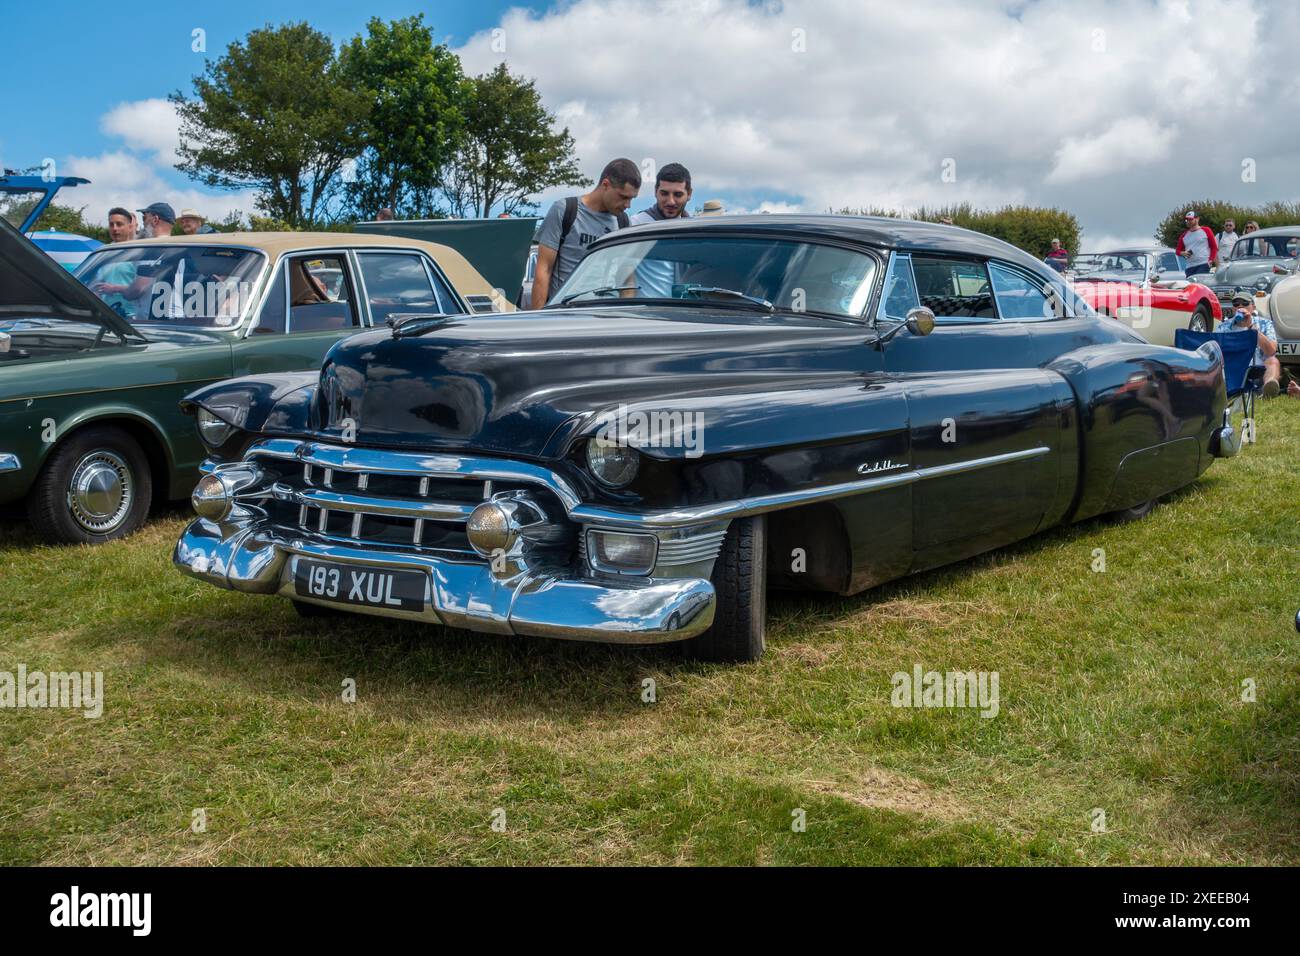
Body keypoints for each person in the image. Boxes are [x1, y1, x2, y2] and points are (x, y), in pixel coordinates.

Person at [531, 158, 641, 308]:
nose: (628, 205)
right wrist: (539, 321)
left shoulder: (623, 222)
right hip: (565, 314)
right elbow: (543, 270)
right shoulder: (566, 210)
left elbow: (627, 277)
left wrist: (625, 317)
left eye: (632, 198)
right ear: (606, 185)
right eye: (623, 197)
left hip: (606, 319)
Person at [625, 163, 692, 298]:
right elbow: (623, 275)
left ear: (689, 194)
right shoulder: (636, 226)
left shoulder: (693, 229)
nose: (671, 201)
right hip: (646, 313)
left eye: (678, 194)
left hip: (684, 314)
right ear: (655, 192)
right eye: (664, 193)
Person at [1215, 292, 1294, 398]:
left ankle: (1269, 386)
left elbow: (1271, 350)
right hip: (1234, 366)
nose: (1240, 306)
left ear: (1253, 307)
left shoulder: (1265, 323)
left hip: (1258, 367)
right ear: (1233, 308)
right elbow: (1216, 352)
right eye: (1236, 304)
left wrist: (1252, 328)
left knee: (1272, 360)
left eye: (1245, 303)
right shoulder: (1223, 327)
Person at [1175, 210, 1217, 277]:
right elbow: (1177, 251)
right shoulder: (1184, 235)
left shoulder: (1206, 230)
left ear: (1197, 219)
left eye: (1190, 219)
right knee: (1191, 286)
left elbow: (1214, 247)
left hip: (1203, 264)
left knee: (1199, 285)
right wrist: (1183, 253)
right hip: (1190, 266)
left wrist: (1211, 260)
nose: (1188, 222)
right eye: (1187, 220)